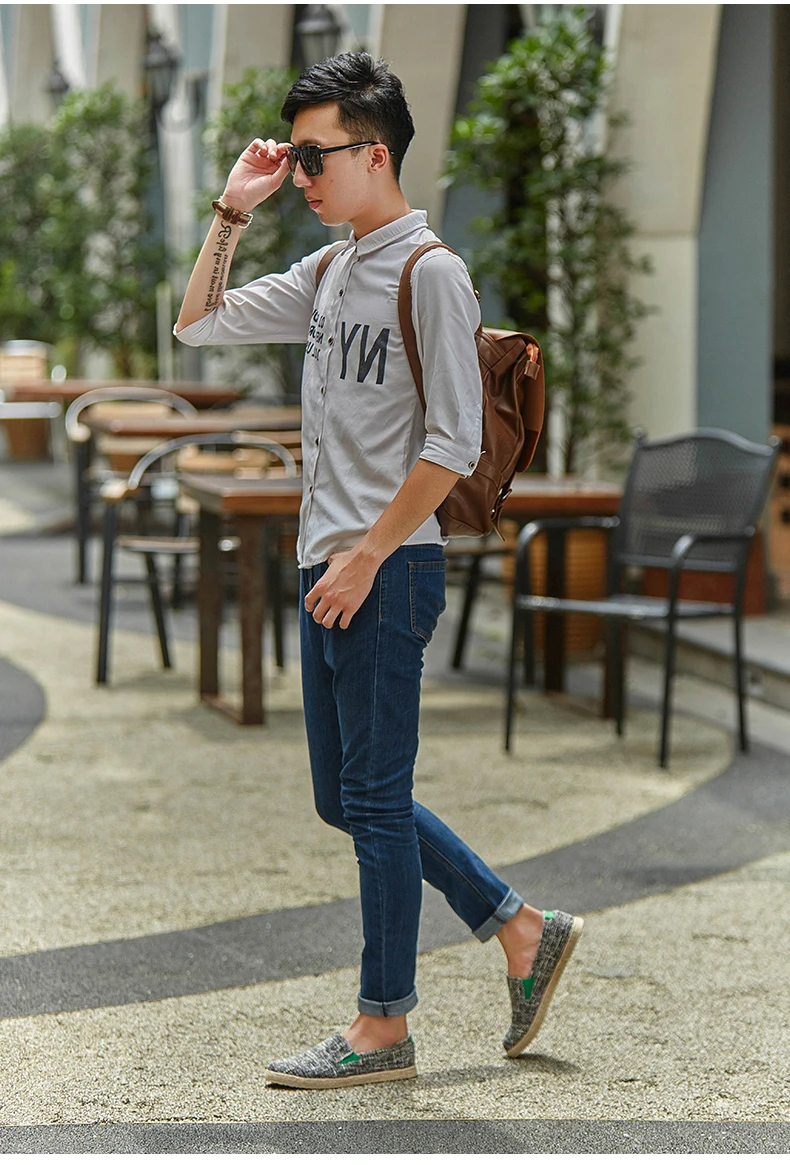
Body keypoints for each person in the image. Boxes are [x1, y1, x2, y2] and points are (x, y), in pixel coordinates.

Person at [175, 51, 583, 1090]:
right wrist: (233, 209)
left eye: (314, 158)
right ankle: (519, 926)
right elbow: (200, 323)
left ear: (376, 154)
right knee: (349, 798)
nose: (302, 176)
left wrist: (365, 557)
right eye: (294, 158)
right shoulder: (328, 269)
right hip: (331, 562)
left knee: (374, 797)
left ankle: (382, 1023)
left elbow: (452, 442)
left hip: (387, 570)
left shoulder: (429, 272)